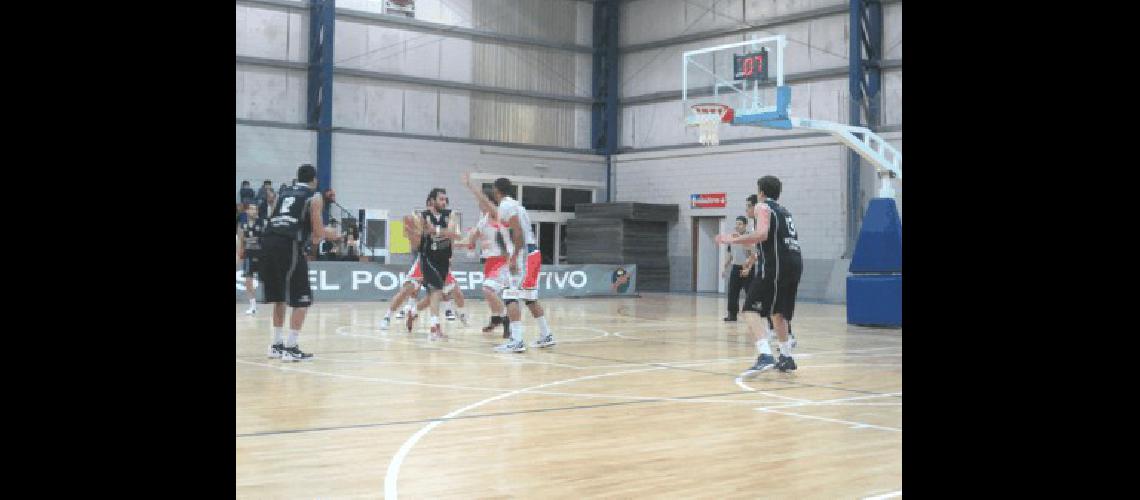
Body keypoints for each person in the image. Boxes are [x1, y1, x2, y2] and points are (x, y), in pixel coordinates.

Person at [718, 176, 802, 374]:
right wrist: (749, 253)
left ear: (761, 192)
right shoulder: (785, 212)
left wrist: (734, 239)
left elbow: (762, 234)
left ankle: (765, 355)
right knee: (777, 312)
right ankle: (786, 356)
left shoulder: (762, 207)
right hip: (795, 263)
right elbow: (769, 241)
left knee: (748, 309)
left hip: (776, 266)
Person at [462, 173, 555, 353]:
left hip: (523, 254)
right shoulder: (514, 205)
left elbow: (518, 233)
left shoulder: (506, 206)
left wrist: (514, 257)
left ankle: (516, 340)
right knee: (529, 299)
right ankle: (546, 335)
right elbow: (489, 207)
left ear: (496, 191)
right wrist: (472, 188)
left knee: (510, 296)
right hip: (533, 253)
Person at [260, 164, 341, 361]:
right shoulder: (315, 196)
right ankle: (291, 347)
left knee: (280, 297)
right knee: (302, 298)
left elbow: (276, 217)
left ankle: (277, 345)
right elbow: (319, 233)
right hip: (288, 244)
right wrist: (335, 235)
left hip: (268, 240)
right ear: (314, 179)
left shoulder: (284, 192)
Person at [404, 188, 462, 341]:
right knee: (436, 292)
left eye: (445, 199)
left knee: (435, 295)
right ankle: (434, 329)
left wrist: (435, 230)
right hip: (428, 258)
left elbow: (453, 234)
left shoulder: (452, 214)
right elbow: (418, 234)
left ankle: (414, 311)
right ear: (432, 201)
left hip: (444, 259)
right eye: (441, 199)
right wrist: (416, 230)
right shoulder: (423, 216)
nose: (443, 202)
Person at [723, 216, 753, 322]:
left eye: (740, 223)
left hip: (747, 268)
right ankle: (732, 314)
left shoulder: (749, 237)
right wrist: (724, 266)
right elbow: (730, 254)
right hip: (735, 267)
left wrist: (749, 267)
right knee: (732, 292)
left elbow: (752, 254)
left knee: (750, 293)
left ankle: (750, 315)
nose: (737, 226)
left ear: (745, 225)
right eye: (736, 223)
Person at [237, 203, 264, 315]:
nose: (254, 211)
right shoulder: (242, 225)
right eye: (252, 209)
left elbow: (266, 239)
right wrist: (239, 255)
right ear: (247, 211)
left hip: (262, 254)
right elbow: (241, 241)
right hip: (249, 255)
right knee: (248, 280)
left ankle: (278, 301)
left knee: (268, 279)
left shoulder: (262, 222)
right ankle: (253, 306)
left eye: (256, 209)